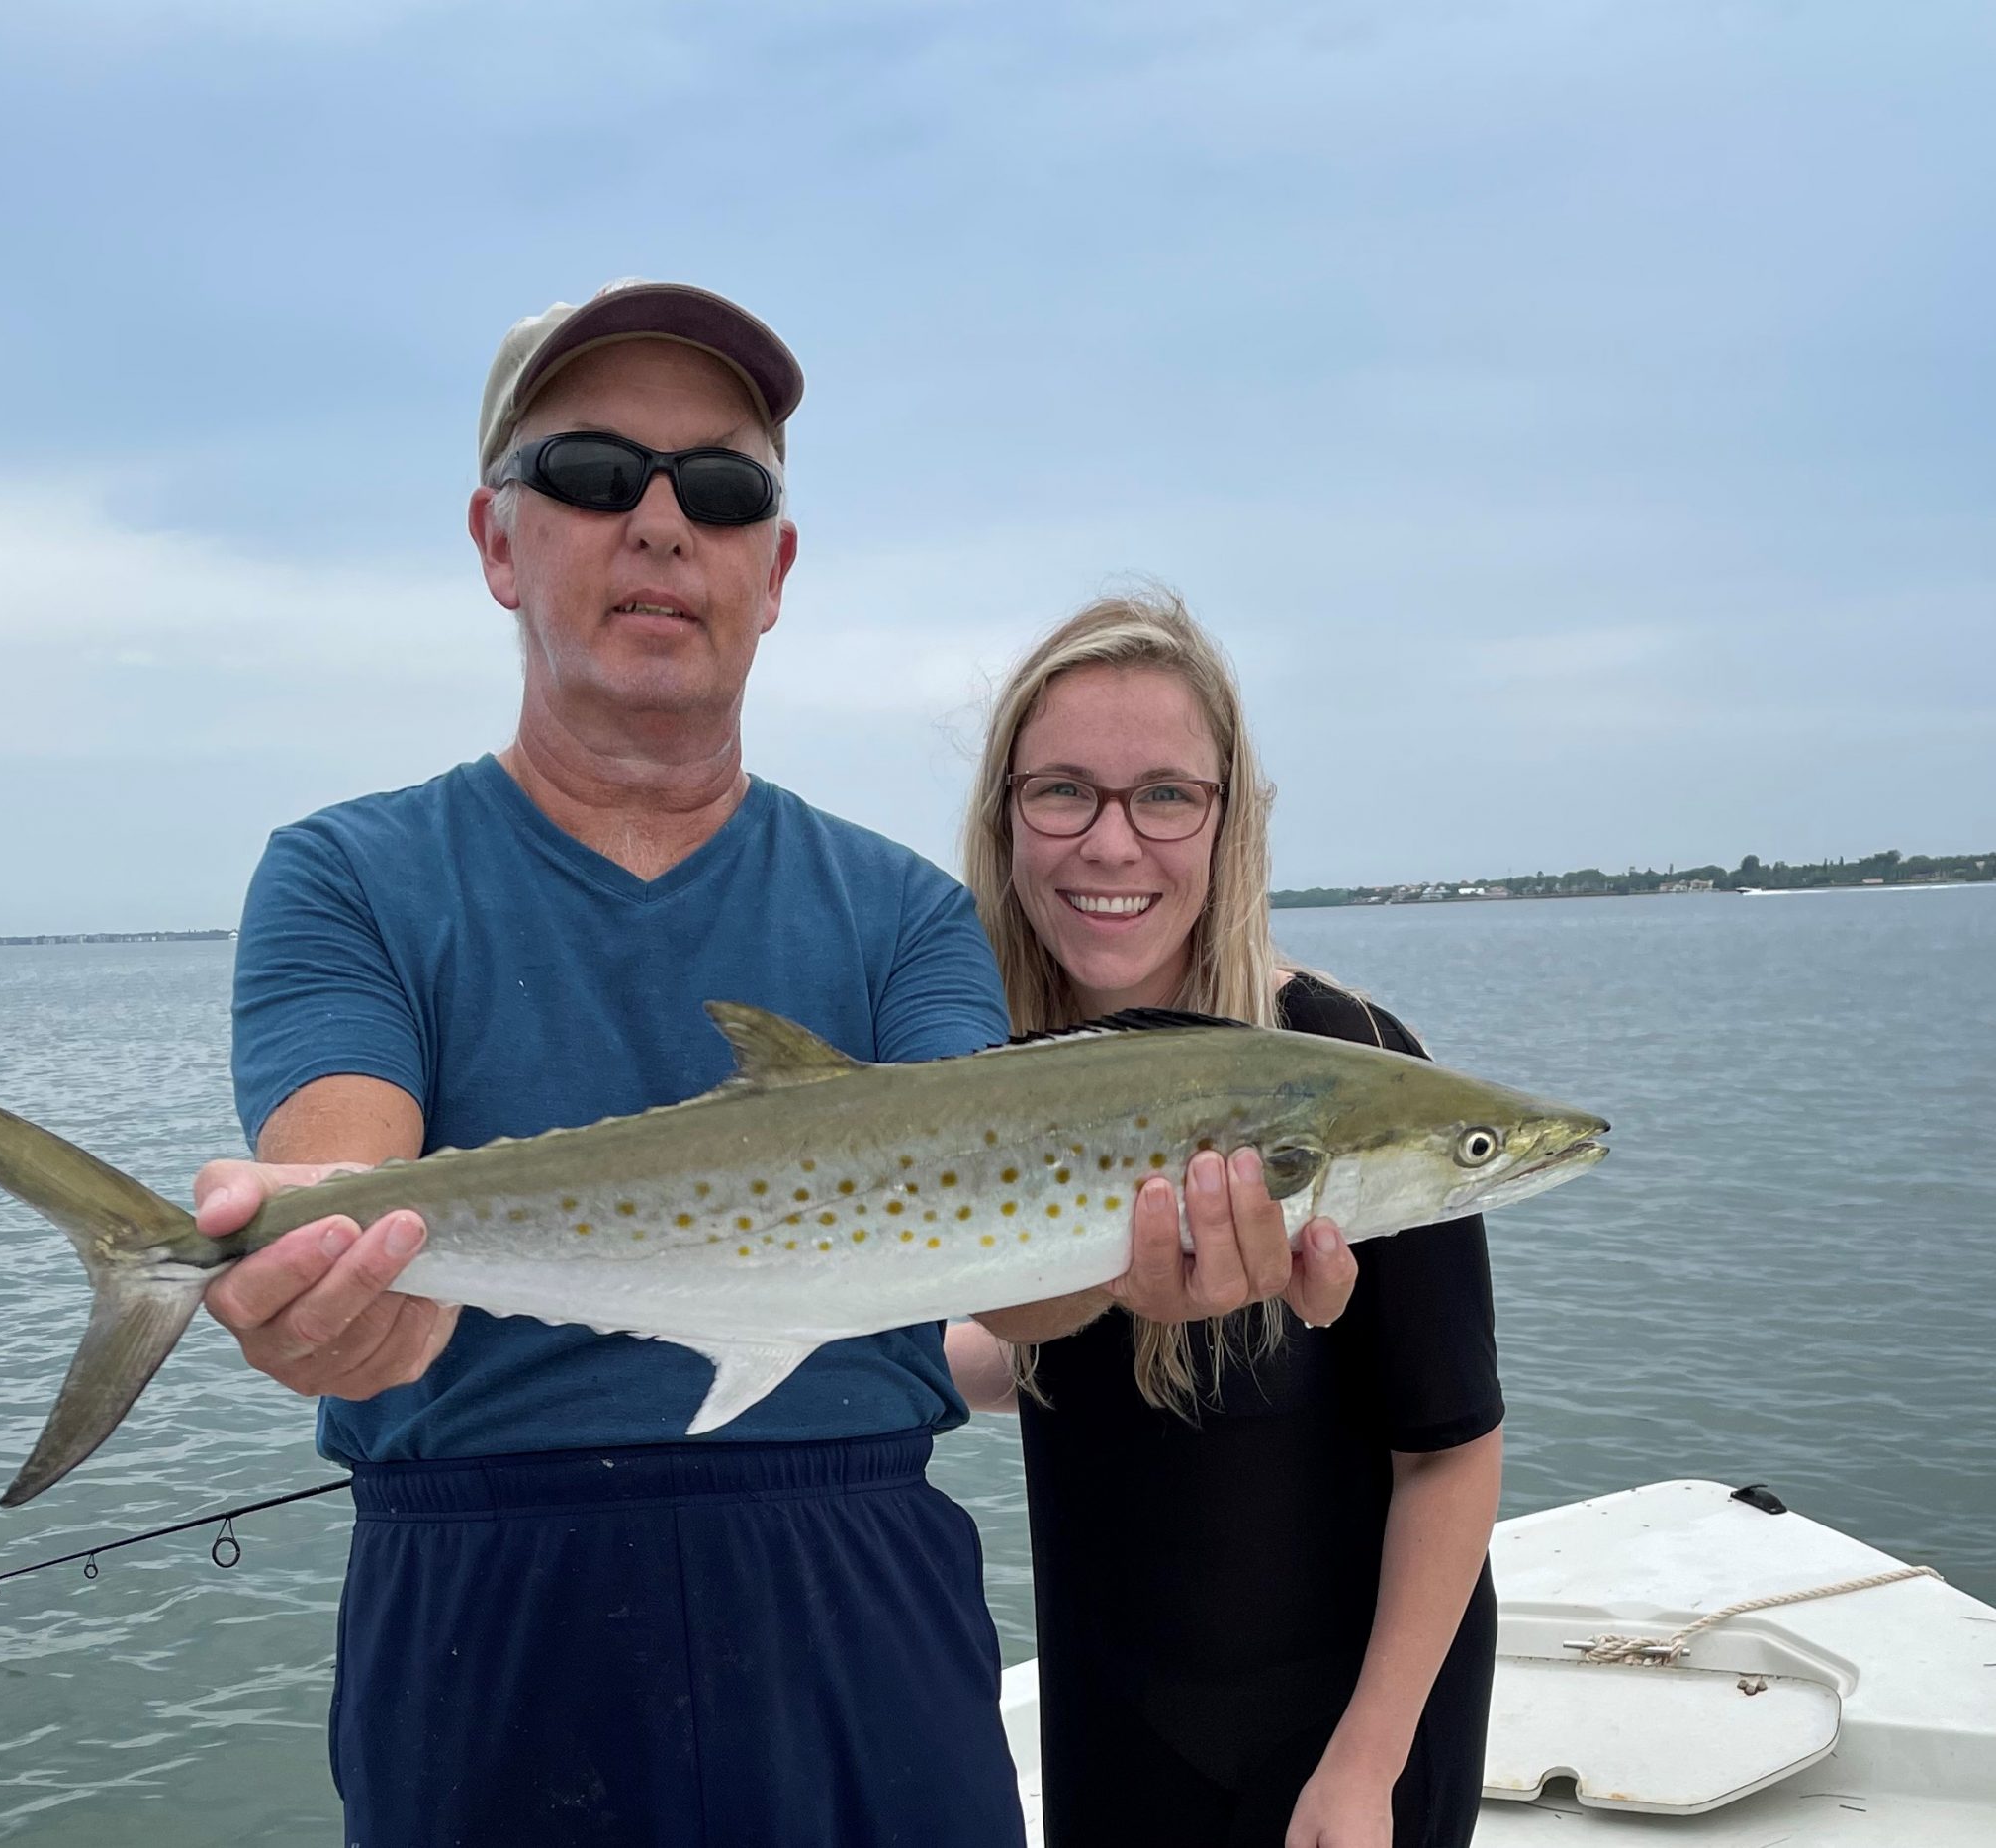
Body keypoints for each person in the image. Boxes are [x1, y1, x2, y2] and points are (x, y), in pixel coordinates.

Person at [184, 282, 1355, 1846]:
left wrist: (1135, 1262)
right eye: (596, 475)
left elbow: (1010, 1278)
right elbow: (362, 1238)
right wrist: (329, 1293)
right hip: (483, 1603)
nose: (663, 525)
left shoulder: (905, 916)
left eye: (722, 491)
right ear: (495, 541)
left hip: (855, 1588)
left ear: (776, 566)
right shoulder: (349, 876)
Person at [944, 590, 1504, 1848]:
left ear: (1226, 818)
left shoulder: (1348, 1064)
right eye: (1062, 791)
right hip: (1112, 1697)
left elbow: (1452, 1450)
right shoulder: (981, 1073)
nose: (1111, 842)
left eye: (1164, 795)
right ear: (1004, 815)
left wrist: (1364, 1768)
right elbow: (1047, 1357)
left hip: (1344, 1727)